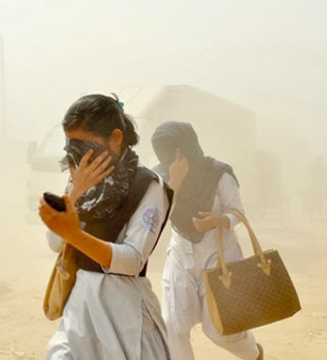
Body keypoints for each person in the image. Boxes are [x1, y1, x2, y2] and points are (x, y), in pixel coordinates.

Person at [39, 94, 173, 360]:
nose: (80, 157)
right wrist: (75, 193)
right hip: (81, 306)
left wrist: (74, 235)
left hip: (124, 313)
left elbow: (133, 260)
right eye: (72, 148)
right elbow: (56, 243)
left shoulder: (148, 186)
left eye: (86, 146)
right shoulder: (78, 182)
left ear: (115, 138)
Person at [151, 121, 264, 360]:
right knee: (172, 324)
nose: (170, 158)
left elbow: (237, 212)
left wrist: (218, 220)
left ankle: (253, 354)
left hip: (219, 256)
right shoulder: (160, 177)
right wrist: (176, 182)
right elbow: (158, 217)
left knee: (220, 330)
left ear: (186, 148)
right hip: (181, 255)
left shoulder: (218, 173)